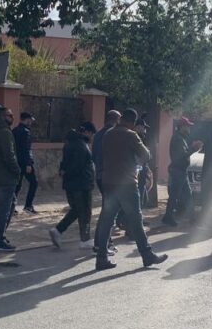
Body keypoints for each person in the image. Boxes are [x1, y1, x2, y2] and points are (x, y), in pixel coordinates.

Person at [94, 108, 169, 271]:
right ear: (133, 122)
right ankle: (147, 255)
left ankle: (101, 258)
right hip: (127, 183)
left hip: (109, 182)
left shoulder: (108, 134)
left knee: (107, 221)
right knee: (136, 220)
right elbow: (146, 155)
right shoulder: (131, 135)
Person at [50, 121, 97, 250]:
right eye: (92, 134)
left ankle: (58, 230)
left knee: (76, 210)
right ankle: (85, 239)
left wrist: (64, 172)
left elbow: (64, 163)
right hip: (81, 184)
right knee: (85, 212)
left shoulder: (69, 143)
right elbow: (78, 166)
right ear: (87, 132)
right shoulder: (81, 145)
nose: (92, 137)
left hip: (71, 184)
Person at [0, 107, 22, 250]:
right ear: (2, 117)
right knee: (4, 208)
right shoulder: (5, 133)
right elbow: (9, 156)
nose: (12, 118)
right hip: (6, 176)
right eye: (9, 115)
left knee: (10, 203)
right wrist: (17, 170)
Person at [162, 117, 198, 226]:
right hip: (178, 171)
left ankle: (192, 218)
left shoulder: (180, 138)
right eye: (188, 126)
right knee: (176, 195)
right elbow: (182, 155)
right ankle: (168, 217)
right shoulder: (178, 139)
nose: (189, 129)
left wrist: (192, 148)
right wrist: (193, 149)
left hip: (180, 170)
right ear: (182, 127)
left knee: (186, 195)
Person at [13, 111, 38, 214]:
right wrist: (28, 163)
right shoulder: (25, 132)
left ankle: (11, 207)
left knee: (17, 185)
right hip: (24, 162)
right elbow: (26, 149)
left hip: (16, 161)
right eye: (30, 120)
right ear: (27, 120)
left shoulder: (14, 130)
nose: (31, 122)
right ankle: (28, 205)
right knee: (34, 183)